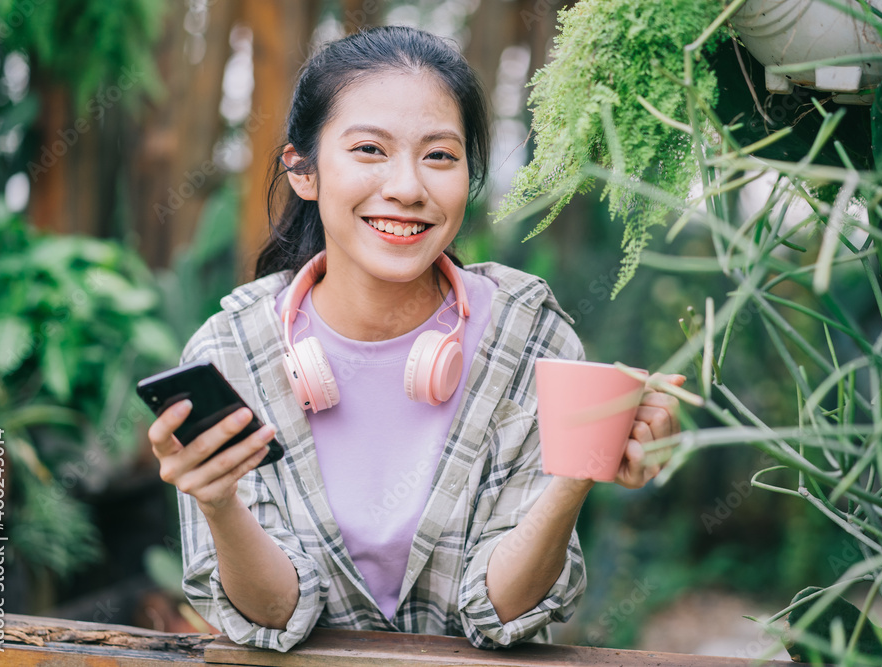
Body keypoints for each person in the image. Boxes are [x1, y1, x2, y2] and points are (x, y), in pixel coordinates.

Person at [147, 25, 683, 653]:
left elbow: (505, 611)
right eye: (370, 150)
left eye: (439, 156)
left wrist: (579, 470)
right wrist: (218, 505)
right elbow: (269, 619)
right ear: (303, 171)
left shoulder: (528, 336)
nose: (407, 188)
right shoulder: (231, 351)